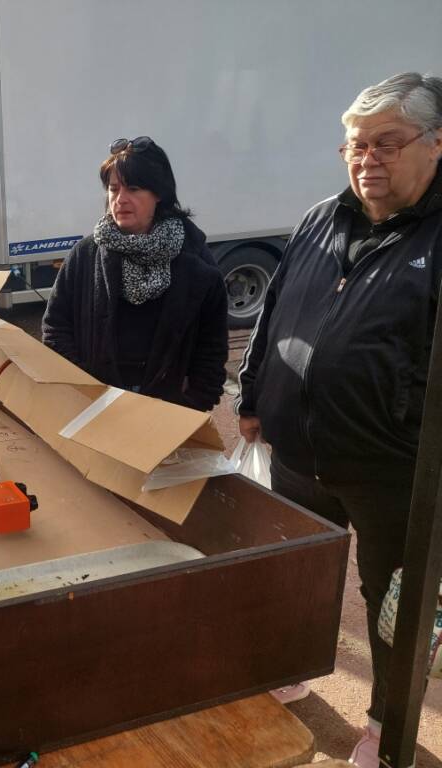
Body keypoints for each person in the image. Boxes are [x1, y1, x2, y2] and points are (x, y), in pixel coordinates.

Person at [237, 72, 442, 767]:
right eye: (356, 144)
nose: (368, 158)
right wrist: (251, 396)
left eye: (388, 142)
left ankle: (387, 722)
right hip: (299, 450)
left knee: (393, 604)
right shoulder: (321, 217)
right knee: (299, 571)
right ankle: (291, 667)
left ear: (435, 144)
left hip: (394, 469)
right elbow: (274, 311)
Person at [41, 137, 228, 411]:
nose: (120, 199)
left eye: (134, 188)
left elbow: (211, 348)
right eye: (113, 189)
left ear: (159, 193)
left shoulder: (196, 262)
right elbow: (55, 328)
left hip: (169, 413)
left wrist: (192, 403)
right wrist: (82, 389)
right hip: (94, 407)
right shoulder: (86, 254)